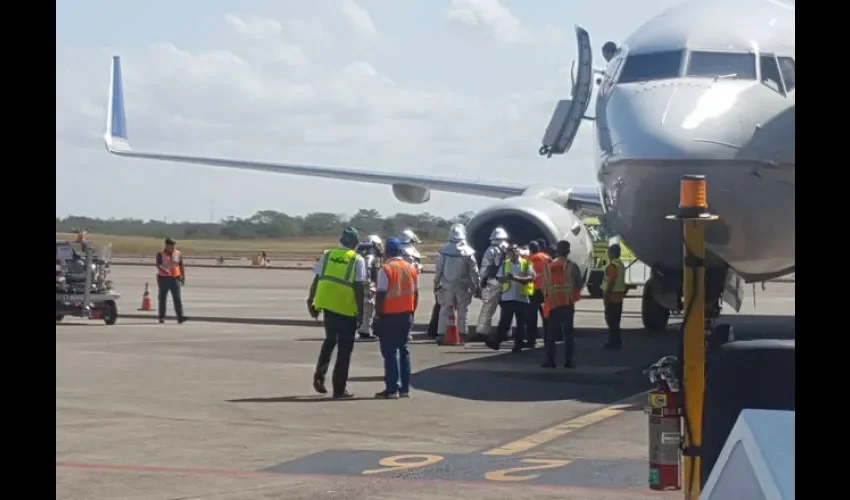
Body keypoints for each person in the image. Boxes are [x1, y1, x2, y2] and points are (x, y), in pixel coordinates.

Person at [307, 227, 368, 399]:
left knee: (329, 342)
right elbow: (358, 287)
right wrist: (361, 312)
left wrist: (311, 300)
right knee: (344, 350)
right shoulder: (357, 259)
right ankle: (339, 389)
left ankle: (319, 376)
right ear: (355, 243)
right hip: (347, 308)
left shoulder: (327, 255)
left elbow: (317, 279)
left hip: (327, 305)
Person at [374, 238, 420, 399]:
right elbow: (416, 293)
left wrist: (377, 316)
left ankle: (392, 388)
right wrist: (412, 311)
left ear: (387, 253)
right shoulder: (411, 268)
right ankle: (405, 389)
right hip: (407, 314)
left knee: (390, 352)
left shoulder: (386, 269)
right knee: (404, 350)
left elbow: (380, 294)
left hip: (390, 315)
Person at [541, 240, 584, 368]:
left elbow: (544, 286)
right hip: (567, 304)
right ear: (568, 251)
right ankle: (568, 361)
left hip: (553, 304)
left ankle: (550, 360)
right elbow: (579, 283)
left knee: (551, 335)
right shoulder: (572, 267)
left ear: (557, 251)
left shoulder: (549, 267)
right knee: (568, 335)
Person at [434, 224, 480, 344]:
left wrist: (436, 283)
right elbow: (474, 271)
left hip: (447, 285)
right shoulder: (468, 252)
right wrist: (477, 286)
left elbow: (439, 269)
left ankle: (441, 334)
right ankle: (462, 334)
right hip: (463, 285)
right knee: (462, 310)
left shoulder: (444, 252)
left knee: (444, 309)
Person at [485, 245, 536, 352]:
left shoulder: (526, 263)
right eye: (510, 252)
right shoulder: (505, 264)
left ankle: (518, 344)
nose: (512, 253)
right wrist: (505, 278)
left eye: (515, 251)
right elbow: (499, 278)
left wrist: (516, 278)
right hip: (508, 297)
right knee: (504, 322)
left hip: (521, 297)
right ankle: (497, 342)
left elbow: (531, 277)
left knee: (520, 323)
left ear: (518, 252)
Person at [475, 227, 509, 340]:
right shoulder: (510, 249)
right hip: (508, 282)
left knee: (488, 307)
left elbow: (485, 267)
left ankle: (482, 332)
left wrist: (480, 281)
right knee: (507, 309)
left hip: (493, 281)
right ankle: (505, 332)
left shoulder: (491, 250)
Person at [355, 235, 384, 339]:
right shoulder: (369, 257)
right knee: (368, 308)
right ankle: (364, 330)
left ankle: (364, 329)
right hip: (367, 286)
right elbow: (367, 272)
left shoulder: (361, 255)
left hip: (362, 285)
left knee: (366, 308)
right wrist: (368, 286)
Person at [525, 241, 552, 347]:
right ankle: (547, 339)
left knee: (531, 316)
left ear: (530, 249)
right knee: (546, 315)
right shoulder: (547, 258)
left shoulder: (528, 259)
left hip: (532, 290)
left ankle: (531, 340)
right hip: (545, 289)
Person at [156, 238, 186, 324]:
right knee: (162, 299)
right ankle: (161, 317)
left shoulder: (178, 253)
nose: (173, 247)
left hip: (175, 278)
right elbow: (158, 265)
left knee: (177, 298)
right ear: (167, 245)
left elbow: (180, 265)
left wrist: (183, 276)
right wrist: (165, 271)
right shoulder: (160, 254)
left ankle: (180, 317)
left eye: (174, 245)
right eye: (171, 245)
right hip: (164, 279)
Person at [603, 243, 627, 350]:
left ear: (612, 253)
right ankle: (617, 342)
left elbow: (611, 280)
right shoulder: (621, 265)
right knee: (616, 321)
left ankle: (613, 342)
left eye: (609, 252)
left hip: (612, 296)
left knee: (611, 321)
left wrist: (606, 292)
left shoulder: (612, 265)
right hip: (619, 296)